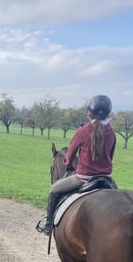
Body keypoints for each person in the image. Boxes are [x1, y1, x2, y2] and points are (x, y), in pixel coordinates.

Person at [36, 94, 117, 236]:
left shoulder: (82, 131)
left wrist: (68, 164)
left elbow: (69, 157)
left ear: (89, 113)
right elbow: (110, 157)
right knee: (119, 199)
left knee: (54, 190)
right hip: (107, 179)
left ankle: (48, 226)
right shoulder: (111, 133)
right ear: (108, 113)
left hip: (83, 178)